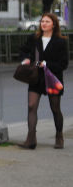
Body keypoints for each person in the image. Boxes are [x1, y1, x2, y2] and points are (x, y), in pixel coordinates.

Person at [17, 12, 68, 149]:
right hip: (36, 78)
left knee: (55, 108)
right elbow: (23, 50)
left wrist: (46, 64)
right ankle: (31, 139)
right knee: (31, 106)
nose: (43, 24)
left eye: (47, 22)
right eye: (42, 21)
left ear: (54, 25)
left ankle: (59, 136)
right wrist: (26, 59)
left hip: (52, 78)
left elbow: (63, 64)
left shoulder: (61, 41)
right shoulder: (34, 38)